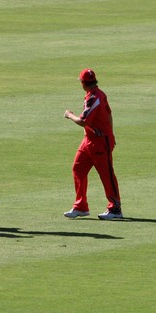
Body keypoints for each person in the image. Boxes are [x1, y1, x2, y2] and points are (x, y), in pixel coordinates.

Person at [63, 68, 123, 220]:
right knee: (78, 169)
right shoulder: (96, 95)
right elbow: (110, 115)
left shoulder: (95, 98)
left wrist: (69, 115)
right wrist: (112, 132)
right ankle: (81, 206)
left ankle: (115, 209)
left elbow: (83, 121)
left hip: (100, 142)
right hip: (88, 141)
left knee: (106, 175)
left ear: (83, 83)